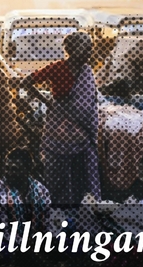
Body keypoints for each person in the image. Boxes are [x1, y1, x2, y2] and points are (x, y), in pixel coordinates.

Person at [20, 31, 101, 206]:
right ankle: (57, 204)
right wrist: (47, 102)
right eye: (86, 49)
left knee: (81, 166)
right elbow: (25, 82)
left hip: (82, 128)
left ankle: (84, 203)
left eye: (90, 49)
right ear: (74, 50)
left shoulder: (87, 72)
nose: (89, 53)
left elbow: (90, 103)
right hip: (60, 124)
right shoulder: (56, 68)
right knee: (58, 166)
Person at [0, 148, 52, 250]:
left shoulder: (40, 190)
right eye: (7, 168)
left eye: (15, 169)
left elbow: (46, 221)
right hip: (4, 241)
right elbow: (1, 231)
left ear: (28, 170)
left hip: (33, 240)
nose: (8, 173)